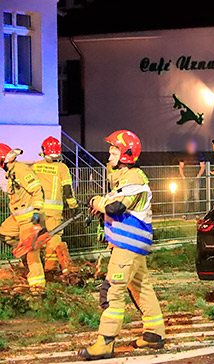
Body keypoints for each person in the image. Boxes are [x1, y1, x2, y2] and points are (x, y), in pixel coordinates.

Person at [79, 130, 165, 360]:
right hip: (131, 245)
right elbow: (115, 204)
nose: (109, 154)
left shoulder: (133, 178)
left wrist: (95, 201)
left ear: (126, 154)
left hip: (128, 244)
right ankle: (154, 334)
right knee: (141, 288)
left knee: (112, 292)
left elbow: (116, 207)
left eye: (114, 150)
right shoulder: (125, 178)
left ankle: (105, 343)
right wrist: (102, 206)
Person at [0, 144, 46, 294]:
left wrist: (37, 212)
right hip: (17, 218)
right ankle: (25, 258)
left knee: (32, 255)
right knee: (4, 233)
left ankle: (38, 292)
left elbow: (37, 191)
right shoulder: (12, 172)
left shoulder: (21, 170)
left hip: (29, 219)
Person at [33, 137, 78, 274]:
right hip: (53, 211)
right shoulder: (62, 168)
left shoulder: (36, 166)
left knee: (37, 237)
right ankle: (50, 268)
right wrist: (73, 206)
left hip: (37, 208)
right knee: (54, 237)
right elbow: (67, 190)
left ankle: (34, 266)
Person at [178, 140, 205, 218]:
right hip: (187, 178)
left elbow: (202, 166)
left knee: (196, 196)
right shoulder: (184, 155)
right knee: (186, 196)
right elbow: (180, 166)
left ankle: (197, 214)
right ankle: (185, 214)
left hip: (195, 178)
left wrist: (198, 175)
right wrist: (183, 176)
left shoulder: (199, 154)